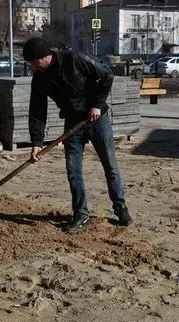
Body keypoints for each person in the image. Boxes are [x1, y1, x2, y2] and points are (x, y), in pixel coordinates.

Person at [23, 38, 131, 233]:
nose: (32, 66)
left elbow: (107, 76)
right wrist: (37, 142)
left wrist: (97, 104)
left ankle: (120, 206)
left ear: (46, 57)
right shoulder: (40, 77)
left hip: (97, 120)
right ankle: (81, 214)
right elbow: (37, 109)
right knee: (73, 170)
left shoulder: (74, 59)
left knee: (110, 165)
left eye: (33, 62)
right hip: (73, 124)